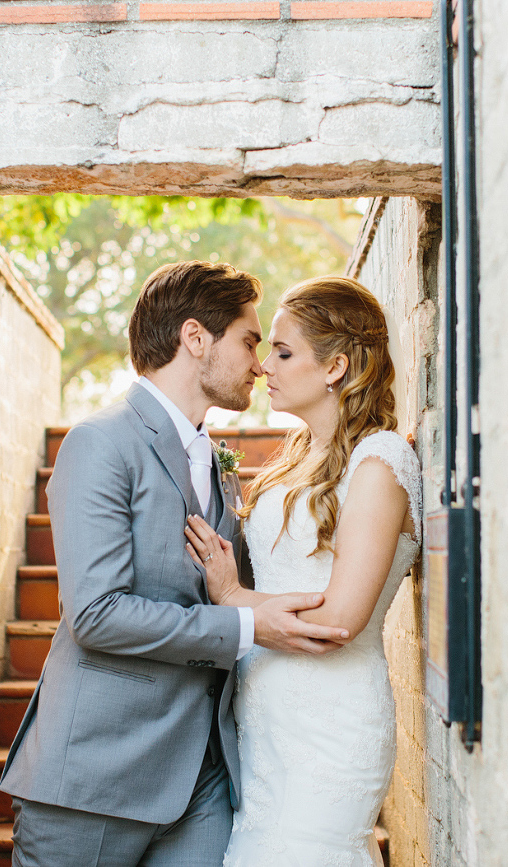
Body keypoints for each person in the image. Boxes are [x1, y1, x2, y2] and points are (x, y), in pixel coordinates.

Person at [0, 261, 350, 867]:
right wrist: (248, 627)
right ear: (195, 339)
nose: (260, 363)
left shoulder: (216, 460)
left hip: (203, 780)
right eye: (248, 340)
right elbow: (96, 614)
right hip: (94, 779)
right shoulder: (100, 442)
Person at [183, 275, 422, 867]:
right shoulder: (301, 455)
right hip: (267, 728)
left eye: (284, 353)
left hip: (331, 727)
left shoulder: (380, 461)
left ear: (336, 366)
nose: (264, 367)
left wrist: (232, 597)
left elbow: (339, 619)